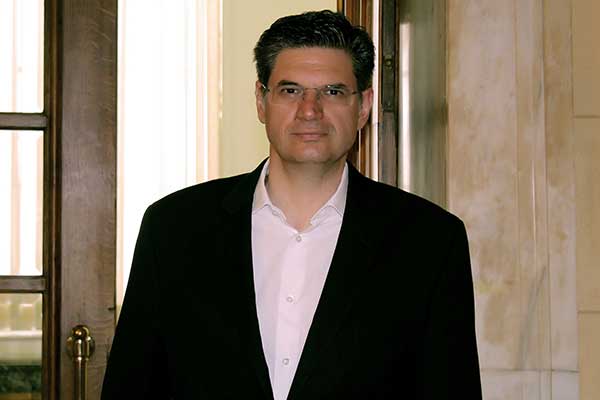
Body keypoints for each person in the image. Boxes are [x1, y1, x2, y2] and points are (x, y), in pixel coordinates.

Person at [101, 10, 481, 400]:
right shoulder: (173, 229)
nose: (310, 110)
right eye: (290, 91)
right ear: (261, 101)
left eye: (332, 92)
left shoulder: (430, 242)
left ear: (364, 106)